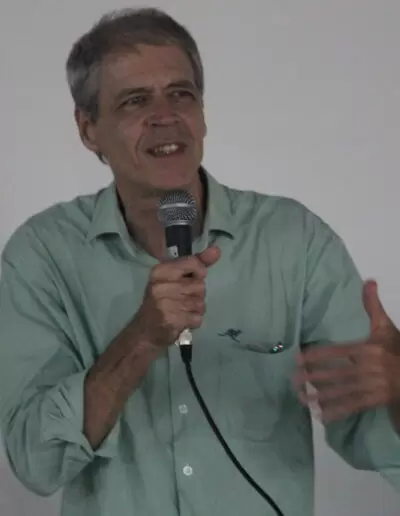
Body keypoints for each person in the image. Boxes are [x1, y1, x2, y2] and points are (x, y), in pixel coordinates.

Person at [0, 7, 399, 516]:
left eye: (181, 94)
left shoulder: (294, 240)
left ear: (203, 113)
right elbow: (35, 462)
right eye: (135, 100)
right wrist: (141, 339)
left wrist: (398, 391)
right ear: (88, 129)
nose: (165, 115)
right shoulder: (42, 255)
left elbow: (373, 438)